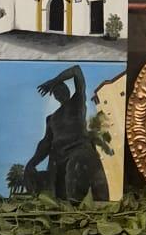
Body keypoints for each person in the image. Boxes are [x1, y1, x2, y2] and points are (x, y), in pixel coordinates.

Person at [22, 66, 109, 201]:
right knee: (49, 176)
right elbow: (46, 142)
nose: (59, 92)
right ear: (55, 96)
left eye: (61, 88)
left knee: (76, 165)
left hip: (78, 150)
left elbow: (76, 71)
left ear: (68, 90)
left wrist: (53, 81)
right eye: (56, 91)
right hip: (59, 158)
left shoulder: (77, 102)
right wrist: (32, 162)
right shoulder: (51, 118)